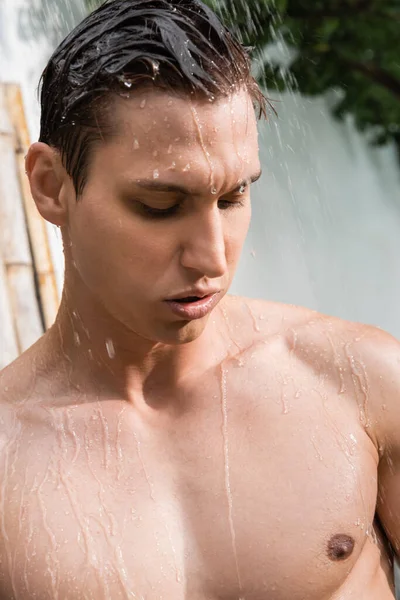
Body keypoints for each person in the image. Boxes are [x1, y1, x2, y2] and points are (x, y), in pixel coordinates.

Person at [0, 0, 399, 597]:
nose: (212, 259)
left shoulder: (357, 381)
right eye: (160, 207)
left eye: (233, 197)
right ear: (51, 186)